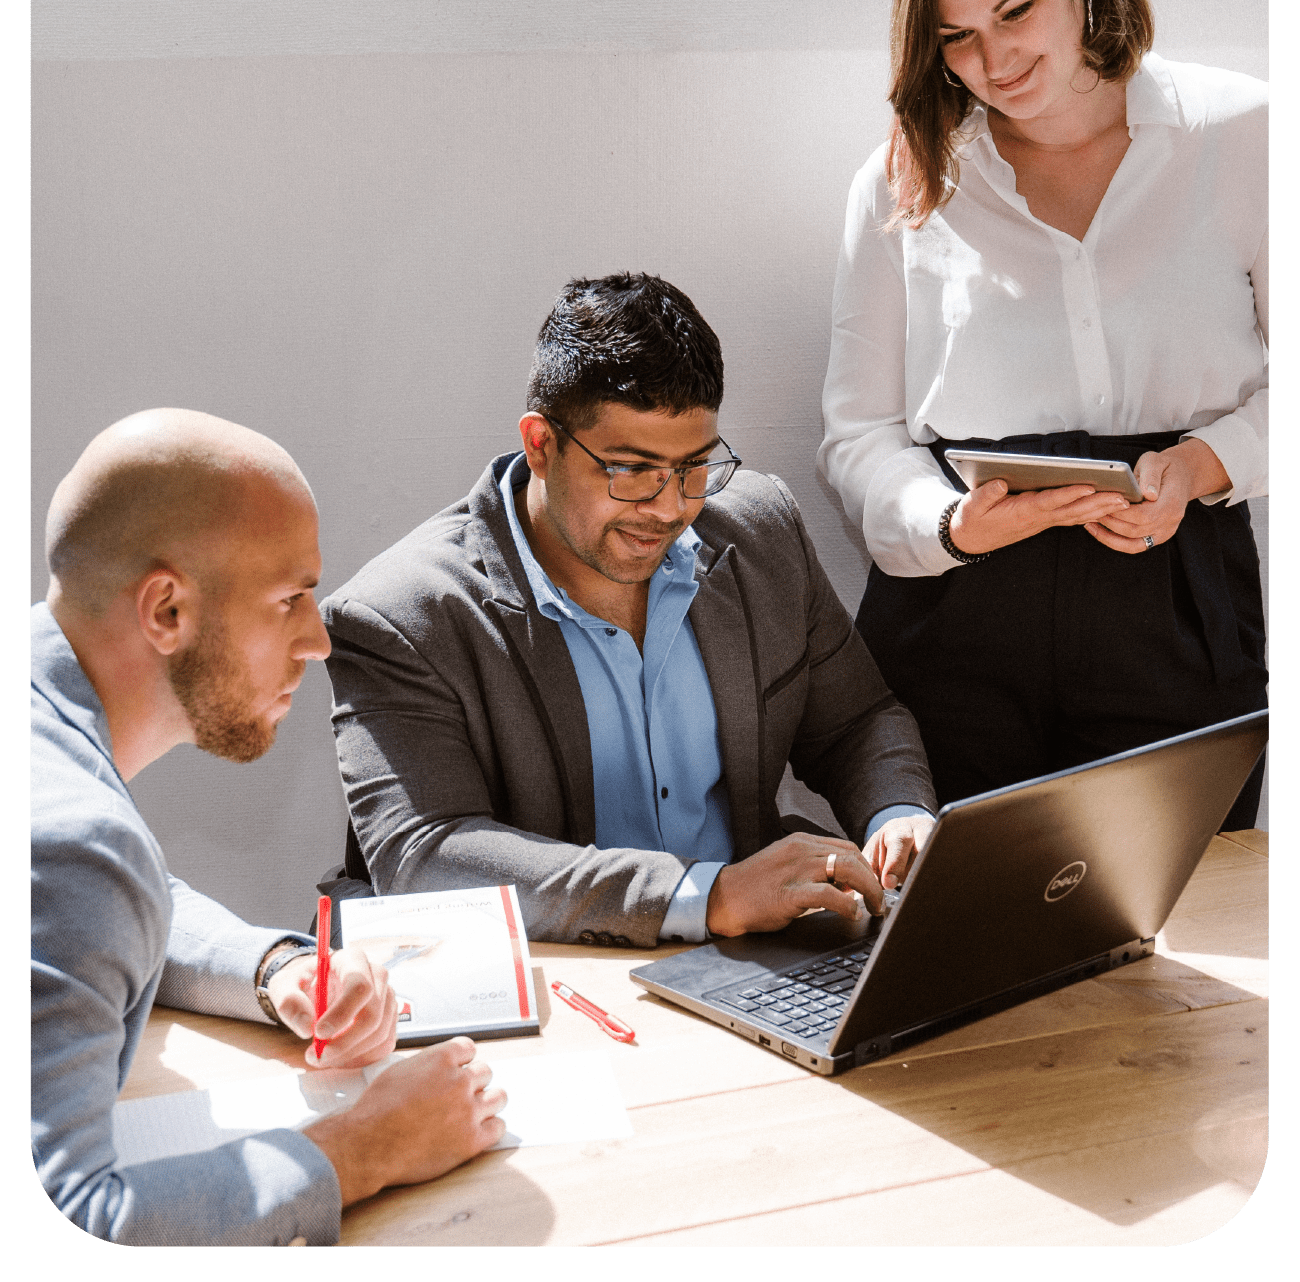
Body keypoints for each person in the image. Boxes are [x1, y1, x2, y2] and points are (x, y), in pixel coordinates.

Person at [818, 0, 1267, 822]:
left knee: (1185, 946)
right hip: (955, 618)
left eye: (1015, 11)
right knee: (959, 952)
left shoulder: (1237, 136)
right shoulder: (901, 179)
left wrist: (1196, 467)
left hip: (1176, 600)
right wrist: (945, 524)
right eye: (956, 37)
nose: (994, 62)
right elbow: (857, 435)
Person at [320, 273, 937, 947]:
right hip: (562, 982)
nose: (669, 507)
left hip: (760, 962)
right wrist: (702, 897)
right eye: (632, 470)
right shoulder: (401, 615)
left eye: (694, 467)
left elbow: (857, 721)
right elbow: (425, 856)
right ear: (541, 445)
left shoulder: (761, 531)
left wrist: (896, 813)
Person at [32, 409, 506, 1246]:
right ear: (167, 611)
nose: (320, 640)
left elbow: (85, 914)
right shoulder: (76, 845)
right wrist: (364, 1147)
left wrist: (274, 967)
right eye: (290, 598)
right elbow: (82, 1214)